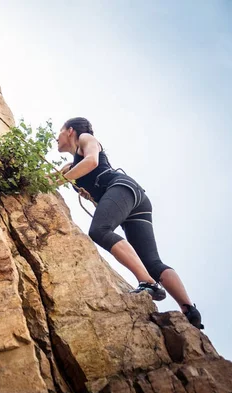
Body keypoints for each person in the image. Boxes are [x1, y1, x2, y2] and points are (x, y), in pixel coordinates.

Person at [55, 117, 203, 329]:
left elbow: (92, 162)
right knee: (153, 263)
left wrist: (65, 178)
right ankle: (189, 311)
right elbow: (51, 179)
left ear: (70, 131)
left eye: (59, 131)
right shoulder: (70, 165)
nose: (56, 137)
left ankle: (148, 284)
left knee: (99, 230)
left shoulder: (86, 139)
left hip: (121, 189)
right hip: (134, 199)